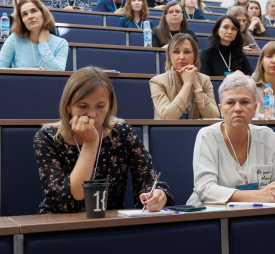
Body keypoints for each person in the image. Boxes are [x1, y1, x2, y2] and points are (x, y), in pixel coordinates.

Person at [34, 66, 174, 213]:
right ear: (68, 105)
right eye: (83, 106)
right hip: (61, 227)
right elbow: (63, 201)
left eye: (101, 106)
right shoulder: (47, 138)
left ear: (109, 105)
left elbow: (149, 181)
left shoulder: (122, 133)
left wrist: (158, 195)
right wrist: (90, 143)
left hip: (109, 225)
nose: (92, 114)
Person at [186, 73, 275, 205]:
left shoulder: (268, 136)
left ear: (255, 109)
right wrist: (256, 196)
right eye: (230, 103)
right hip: (211, 217)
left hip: (257, 214)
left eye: (244, 102)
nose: (238, 109)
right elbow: (205, 189)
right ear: (221, 109)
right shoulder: (207, 136)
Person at [150, 33, 219, 120]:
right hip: (169, 133)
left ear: (195, 56)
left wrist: (196, 86)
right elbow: (167, 118)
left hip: (198, 132)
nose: (181, 57)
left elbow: (213, 117)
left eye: (187, 52)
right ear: (169, 56)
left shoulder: (204, 80)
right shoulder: (158, 81)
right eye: (176, 51)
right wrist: (187, 84)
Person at [0, 0, 68, 71]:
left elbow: (58, 72)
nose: (30, 16)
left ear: (43, 14)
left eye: (34, 11)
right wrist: (27, 70)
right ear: (22, 21)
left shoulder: (61, 43)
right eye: (25, 14)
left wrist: (43, 43)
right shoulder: (14, 39)